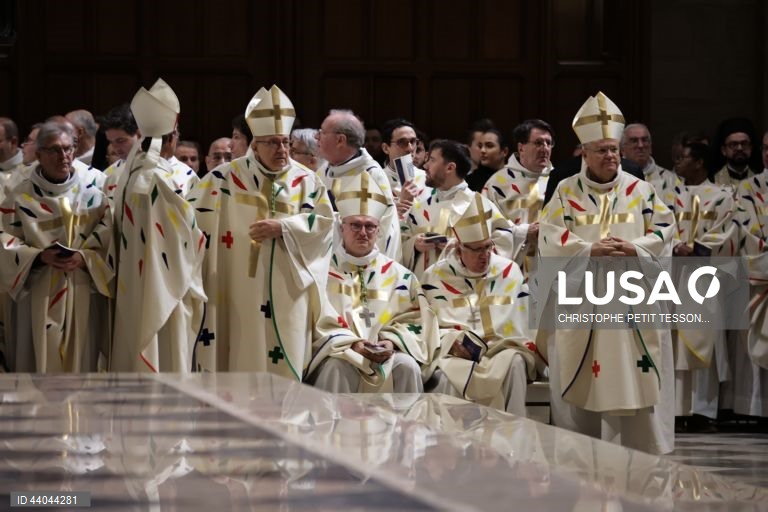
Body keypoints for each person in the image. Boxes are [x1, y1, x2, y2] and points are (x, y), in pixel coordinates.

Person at [539, 91, 677, 454]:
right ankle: (582, 452)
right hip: (583, 297)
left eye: (614, 149)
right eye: (601, 149)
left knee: (637, 372)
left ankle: (640, 449)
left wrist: (637, 247)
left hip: (633, 295)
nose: (610, 156)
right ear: (583, 153)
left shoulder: (642, 190)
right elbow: (550, 237)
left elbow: (665, 229)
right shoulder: (566, 192)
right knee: (582, 376)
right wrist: (588, 249)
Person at [187, 85, 335, 379]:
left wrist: (285, 227)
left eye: (285, 142)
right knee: (237, 355)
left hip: (287, 287)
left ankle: (286, 424)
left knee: (286, 362)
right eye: (271, 143)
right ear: (254, 145)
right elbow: (189, 223)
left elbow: (325, 226)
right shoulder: (221, 179)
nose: (281, 150)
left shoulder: (307, 180)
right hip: (232, 285)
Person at [308, 172, 439, 392]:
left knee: (407, 366)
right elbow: (314, 320)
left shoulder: (400, 276)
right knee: (337, 367)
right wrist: (353, 344)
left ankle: (407, 427)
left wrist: (392, 342)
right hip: (339, 351)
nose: (363, 233)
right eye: (355, 226)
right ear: (342, 228)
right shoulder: (322, 271)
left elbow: (416, 320)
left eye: (370, 226)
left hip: (386, 353)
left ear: (378, 231)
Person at [0, 121, 113, 372]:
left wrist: (86, 258)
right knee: (37, 361)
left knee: (83, 361)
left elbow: (110, 235)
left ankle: (81, 412)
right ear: (38, 155)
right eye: (54, 150)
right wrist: (38, 257)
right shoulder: (17, 193)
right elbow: (4, 239)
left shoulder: (94, 190)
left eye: (68, 149)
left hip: (83, 286)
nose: (64, 156)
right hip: (36, 289)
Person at [109, 78, 206, 373]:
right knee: (166, 355)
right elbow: (187, 235)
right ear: (172, 137)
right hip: (168, 285)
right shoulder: (161, 179)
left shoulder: (128, 173)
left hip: (132, 283)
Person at [422, 193, 537, 415]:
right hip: (456, 353)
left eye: (487, 247)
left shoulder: (508, 271)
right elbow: (426, 326)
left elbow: (525, 322)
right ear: (459, 248)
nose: (484, 255)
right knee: (445, 375)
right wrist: (451, 343)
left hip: (500, 350)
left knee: (516, 363)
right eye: (476, 249)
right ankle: (451, 443)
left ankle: (512, 441)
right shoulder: (435, 276)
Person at [672, 141, 737, 429]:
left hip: (705, 275)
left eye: (683, 157)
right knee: (675, 342)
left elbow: (728, 230)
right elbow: (659, 226)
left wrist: (695, 247)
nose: (677, 162)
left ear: (699, 162)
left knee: (704, 339)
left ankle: (703, 409)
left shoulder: (722, 196)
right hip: (674, 275)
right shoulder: (668, 194)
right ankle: (677, 408)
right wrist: (674, 244)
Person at [400, 139, 514, 281]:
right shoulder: (419, 208)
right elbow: (398, 244)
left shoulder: (478, 204)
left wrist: (464, 248)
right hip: (425, 289)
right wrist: (414, 245)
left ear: (450, 168)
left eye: (432, 160)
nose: (425, 165)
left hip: (462, 291)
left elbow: (504, 240)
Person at [316, 109, 400, 260]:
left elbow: (385, 230)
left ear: (340, 140)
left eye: (322, 132)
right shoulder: (322, 171)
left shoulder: (371, 174)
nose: (317, 137)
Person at [482, 119, 554, 272]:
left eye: (548, 143)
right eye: (538, 143)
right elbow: (485, 229)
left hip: (551, 266)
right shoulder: (497, 183)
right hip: (514, 268)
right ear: (521, 148)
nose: (545, 148)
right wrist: (524, 232)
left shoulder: (560, 181)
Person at [620, 123, 682, 213]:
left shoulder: (671, 180)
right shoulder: (614, 177)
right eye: (634, 141)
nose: (640, 145)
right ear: (622, 149)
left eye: (645, 140)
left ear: (651, 147)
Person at [378, 118, 432, 218]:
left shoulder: (429, 179)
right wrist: (397, 209)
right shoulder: (375, 180)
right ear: (386, 148)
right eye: (402, 142)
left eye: (413, 141)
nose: (410, 148)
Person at [713, 118, 758, 191]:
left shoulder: (762, 180)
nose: (739, 148)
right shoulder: (712, 182)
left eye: (744, 144)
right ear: (723, 150)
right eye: (733, 144)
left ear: (751, 148)